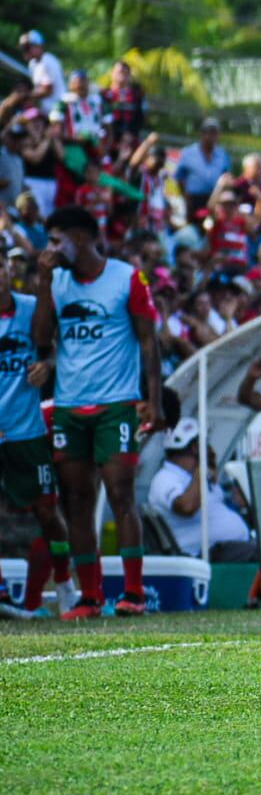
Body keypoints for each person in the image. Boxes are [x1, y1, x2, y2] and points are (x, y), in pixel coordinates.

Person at [32, 205, 163, 620]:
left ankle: (134, 592)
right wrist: (44, 281)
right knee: (76, 500)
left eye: (57, 240)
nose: (51, 248)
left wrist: (154, 398)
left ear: (82, 238)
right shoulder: (58, 281)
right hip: (70, 407)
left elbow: (148, 340)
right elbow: (40, 340)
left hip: (116, 404)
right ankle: (90, 597)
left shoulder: (127, 277)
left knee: (121, 492)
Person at [0, 255, 77, 619]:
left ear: (9, 271)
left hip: (26, 432)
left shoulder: (31, 309)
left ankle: (65, 586)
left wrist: (48, 365)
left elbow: (64, 346)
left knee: (48, 512)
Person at [146, 418, 256, 561]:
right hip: (206, 552)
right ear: (195, 447)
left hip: (230, 546)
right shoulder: (165, 478)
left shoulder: (192, 476)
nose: (208, 447)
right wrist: (200, 471)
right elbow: (186, 507)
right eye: (204, 443)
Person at [174, 118, 230, 218]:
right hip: (193, 200)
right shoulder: (188, 153)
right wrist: (186, 199)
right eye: (210, 132)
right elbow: (179, 178)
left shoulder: (222, 155)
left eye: (215, 132)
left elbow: (226, 176)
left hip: (215, 200)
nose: (213, 136)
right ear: (202, 133)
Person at [19, 30, 65, 114]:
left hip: (56, 110)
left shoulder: (47, 61)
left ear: (39, 46)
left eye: (27, 47)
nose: (24, 51)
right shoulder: (32, 64)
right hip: (45, 110)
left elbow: (47, 91)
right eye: (23, 48)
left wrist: (24, 96)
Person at [101, 60, 146, 142]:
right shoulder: (104, 94)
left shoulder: (137, 96)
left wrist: (130, 134)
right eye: (119, 72)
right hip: (106, 136)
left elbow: (140, 118)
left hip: (130, 138)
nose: (122, 75)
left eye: (125, 73)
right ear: (112, 73)